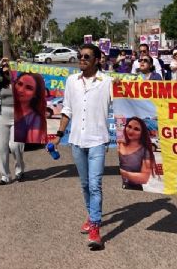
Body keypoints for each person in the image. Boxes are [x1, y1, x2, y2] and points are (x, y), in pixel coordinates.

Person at [51, 44, 113, 250]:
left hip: (98, 141)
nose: (82, 59)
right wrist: (59, 136)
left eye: (87, 56)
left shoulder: (108, 82)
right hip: (76, 140)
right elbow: (66, 109)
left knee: (95, 185)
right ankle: (91, 215)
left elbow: (127, 102)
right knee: (85, 184)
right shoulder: (71, 82)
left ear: (97, 60)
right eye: (80, 56)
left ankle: (95, 228)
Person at [0, 57, 25, 185]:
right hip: (2, 117)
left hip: (18, 117)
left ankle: (19, 170)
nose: (6, 69)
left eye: (8, 68)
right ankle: (5, 176)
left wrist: (21, 66)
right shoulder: (0, 81)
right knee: (2, 148)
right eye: (4, 69)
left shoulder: (21, 81)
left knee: (15, 146)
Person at [117, 117, 157, 190]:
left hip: (133, 190)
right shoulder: (119, 144)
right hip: (115, 190)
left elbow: (144, 178)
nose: (131, 131)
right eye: (129, 127)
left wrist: (124, 173)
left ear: (142, 133)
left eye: (136, 129)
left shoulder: (145, 151)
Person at [13, 72, 47, 144]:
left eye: (29, 88)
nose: (20, 90)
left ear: (35, 94)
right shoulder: (6, 106)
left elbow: (31, 147)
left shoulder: (35, 119)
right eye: (19, 84)